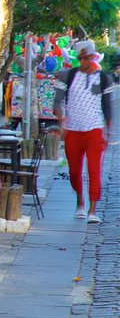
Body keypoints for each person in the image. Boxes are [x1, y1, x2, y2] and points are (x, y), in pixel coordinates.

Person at [53, 40, 114, 224]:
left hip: (94, 129)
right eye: (81, 58)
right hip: (73, 129)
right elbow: (57, 101)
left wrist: (108, 131)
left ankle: (92, 210)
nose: (84, 62)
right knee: (74, 170)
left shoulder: (104, 79)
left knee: (94, 170)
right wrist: (60, 118)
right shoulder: (68, 76)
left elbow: (108, 107)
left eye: (87, 58)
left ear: (93, 57)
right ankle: (80, 201)